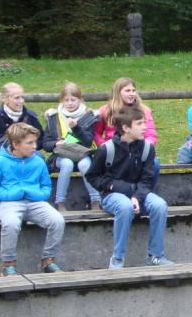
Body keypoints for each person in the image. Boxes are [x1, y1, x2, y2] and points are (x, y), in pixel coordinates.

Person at [85, 105, 174, 269]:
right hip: (113, 195)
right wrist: (113, 185)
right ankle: (117, 258)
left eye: (144, 123)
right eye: (139, 124)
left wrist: (137, 197)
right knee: (125, 207)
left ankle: (155, 255)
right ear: (125, 128)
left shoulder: (147, 149)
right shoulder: (106, 150)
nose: (144, 127)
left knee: (160, 205)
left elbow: (147, 180)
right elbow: (92, 176)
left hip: (139, 194)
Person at [0, 122, 65, 276]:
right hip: (8, 203)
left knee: (58, 220)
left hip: (35, 202)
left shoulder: (38, 161)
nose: (35, 146)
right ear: (15, 144)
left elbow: (46, 186)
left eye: (35, 142)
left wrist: (37, 194)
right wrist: (10, 194)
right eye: (29, 143)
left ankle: (48, 260)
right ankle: (8, 264)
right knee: (11, 223)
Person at [40, 82, 101, 211]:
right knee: (67, 164)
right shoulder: (54, 117)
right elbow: (45, 143)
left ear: (80, 99)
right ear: (62, 101)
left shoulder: (88, 116)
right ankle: (60, 202)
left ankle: (96, 201)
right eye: (66, 100)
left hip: (82, 153)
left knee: (85, 164)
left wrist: (76, 128)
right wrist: (55, 143)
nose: (70, 103)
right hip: (62, 154)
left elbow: (88, 141)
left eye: (73, 100)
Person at [93, 77, 161, 192]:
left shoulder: (143, 110)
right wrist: (103, 144)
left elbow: (150, 132)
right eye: (127, 91)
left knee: (154, 164)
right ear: (118, 92)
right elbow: (96, 132)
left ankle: (146, 193)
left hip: (138, 150)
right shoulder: (106, 111)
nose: (131, 94)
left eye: (133, 90)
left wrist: (146, 147)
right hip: (115, 151)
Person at [0, 82, 41, 165]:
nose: (21, 101)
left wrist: (27, 146)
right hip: (2, 154)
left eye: (22, 97)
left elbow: (41, 139)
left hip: (26, 155)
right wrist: (2, 147)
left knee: (39, 157)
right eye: (17, 98)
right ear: (5, 99)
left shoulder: (30, 117)